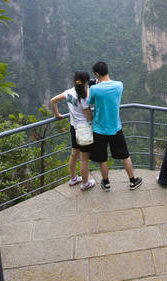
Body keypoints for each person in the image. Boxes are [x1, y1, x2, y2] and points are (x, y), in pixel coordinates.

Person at [88, 61, 143, 191]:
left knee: (102, 158)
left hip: (99, 129)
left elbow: (89, 102)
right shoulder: (119, 85)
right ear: (107, 70)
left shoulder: (94, 89)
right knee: (125, 155)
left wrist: (93, 86)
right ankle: (132, 181)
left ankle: (106, 183)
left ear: (96, 74)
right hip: (115, 128)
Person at [50, 71, 96, 191]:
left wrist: (57, 114)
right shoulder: (84, 98)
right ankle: (85, 183)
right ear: (85, 82)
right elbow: (89, 117)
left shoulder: (69, 92)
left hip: (73, 127)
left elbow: (53, 100)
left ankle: (73, 178)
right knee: (84, 158)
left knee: (74, 154)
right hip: (84, 129)